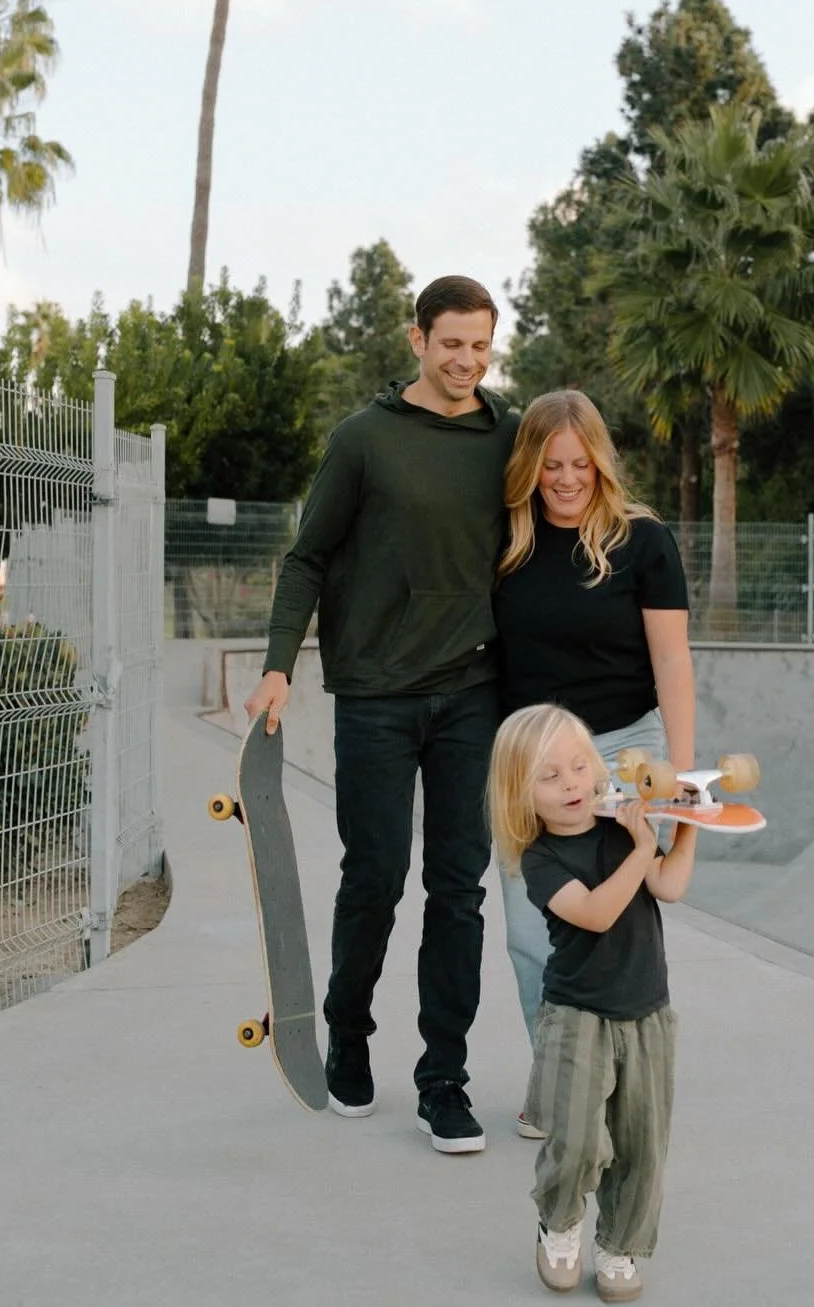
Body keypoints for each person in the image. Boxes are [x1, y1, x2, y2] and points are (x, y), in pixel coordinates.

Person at [245, 275, 518, 1154]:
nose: (466, 360)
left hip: (473, 694)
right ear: (417, 340)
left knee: (459, 889)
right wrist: (278, 667)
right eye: (451, 344)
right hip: (374, 696)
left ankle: (444, 1078)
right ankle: (349, 1037)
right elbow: (307, 559)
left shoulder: (507, 437)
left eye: (480, 345)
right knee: (374, 878)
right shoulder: (363, 440)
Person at [492, 390, 695, 1081]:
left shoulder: (643, 542)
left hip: (621, 751)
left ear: (601, 463)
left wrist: (684, 775)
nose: (568, 478)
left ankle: (619, 1075)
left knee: (615, 928)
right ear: (531, 466)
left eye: (580, 463)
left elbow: (672, 661)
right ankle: (558, 1081)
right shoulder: (507, 542)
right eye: (552, 465)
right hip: (529, 763)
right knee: (528, 933)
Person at [488, 703, 695, 1302]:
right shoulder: (541, 859)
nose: (571, 783)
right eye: (548, 776)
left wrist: (687, 825)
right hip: (577, 1014)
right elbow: (599, 912)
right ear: (518, 792)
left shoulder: (619, 826)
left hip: (647, 1011)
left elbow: (669, 886)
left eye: (579, 766)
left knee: (641, 1145)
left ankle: (620, 1243)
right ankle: (559, 1222)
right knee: (577, 1139)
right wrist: (640, 846)